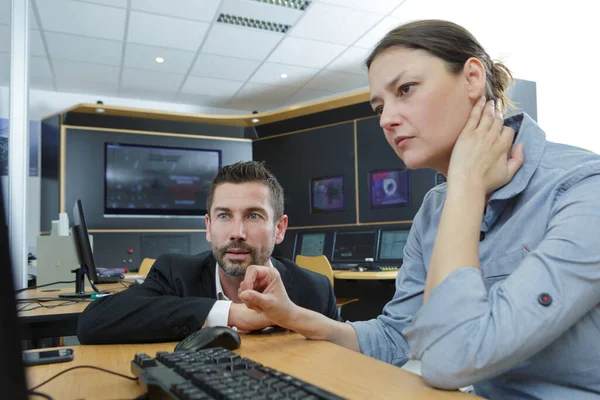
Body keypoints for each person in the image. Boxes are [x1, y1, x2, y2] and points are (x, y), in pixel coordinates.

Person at [237, 20, 600, 399]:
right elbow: (397, 336)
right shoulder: (435, 207)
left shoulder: (585, 187)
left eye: (406, 89)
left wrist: (465, 187)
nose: (386, 119)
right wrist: (292, 315)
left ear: (472, 77)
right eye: (379, 106)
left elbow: (450, 361)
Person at [77, 161, 339, 344]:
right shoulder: (175, 274)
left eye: (253, 215)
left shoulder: (314, 289)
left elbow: (347, 362)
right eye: (224, 215)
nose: (237, 232)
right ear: (209, 226)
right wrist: (232, 314)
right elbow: (93, 322)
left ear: (279, 228)